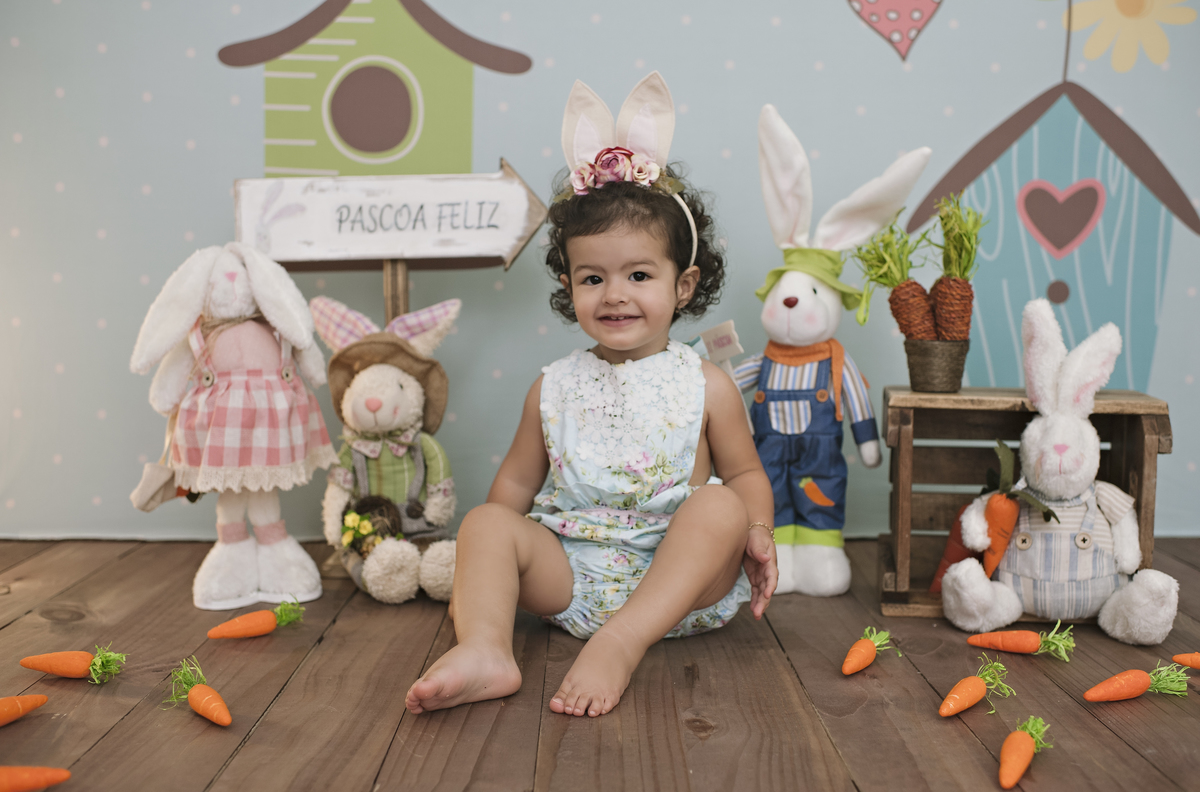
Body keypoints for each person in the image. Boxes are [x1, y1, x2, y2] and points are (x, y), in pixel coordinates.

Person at [405, 73, 777, 719]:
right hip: (572, 577)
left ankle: (621, 642)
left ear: (684, 286)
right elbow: (515, 487)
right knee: (485, 522)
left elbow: (745, 473)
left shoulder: (705, 383)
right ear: (568, 284)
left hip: (680, 586)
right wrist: (485, 574)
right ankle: (486, 649)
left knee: (721, 505)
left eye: (639, 274)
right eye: (593, 278)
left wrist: (761, 531)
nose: (615, 294)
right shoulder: (554, 386)